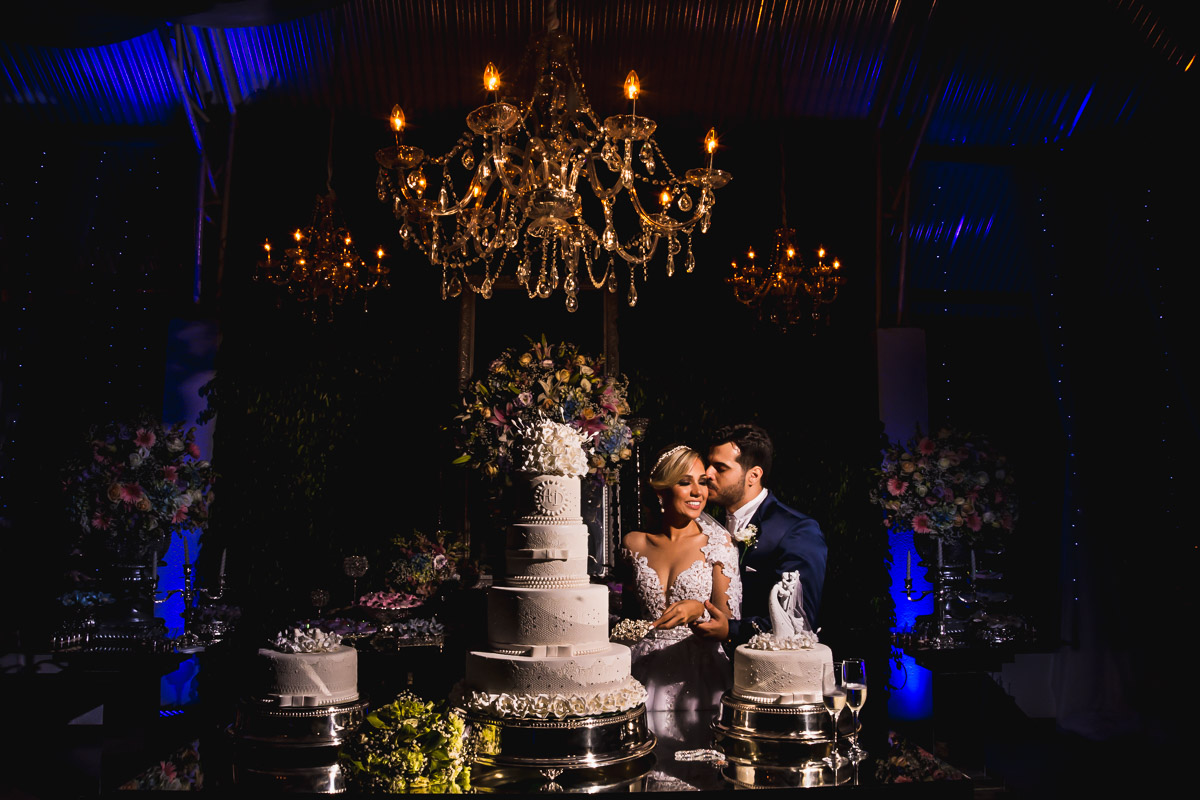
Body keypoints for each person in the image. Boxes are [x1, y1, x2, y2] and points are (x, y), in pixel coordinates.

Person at [618, 444, 741, 711]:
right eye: (685, 483)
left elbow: (727, 625)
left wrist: (699, 610)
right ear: (662, 490)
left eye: (703, 482)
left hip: (698, 681)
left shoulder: (719, 545)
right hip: (637, 673)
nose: (698, 492)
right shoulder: (633, 544)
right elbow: (624, 617)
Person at [691, 423, 826, 648]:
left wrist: (731, 630)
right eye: (709, 465)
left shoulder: (797, 530)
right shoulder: (705, 526)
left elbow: (797, 620)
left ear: (753, 475)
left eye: (720, 468)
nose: (707, 474)